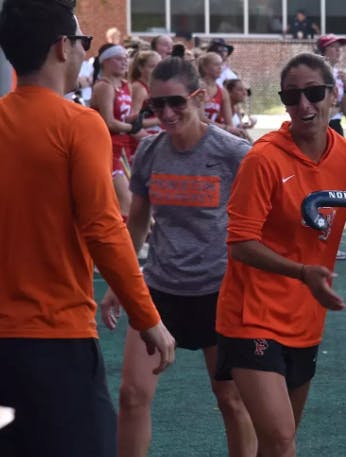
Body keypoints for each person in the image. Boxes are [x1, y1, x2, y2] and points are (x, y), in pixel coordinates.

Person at [0, 2, 176, 456]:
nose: (83, 51)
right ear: (63, 48)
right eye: (83, 42)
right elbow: (103, 229)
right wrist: (148, 318)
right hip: (55, 339)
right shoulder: (80, 125)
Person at [214, 53, 346, 457]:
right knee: (280, 440)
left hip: (305, 318)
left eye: (314, 93)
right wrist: (302, 272)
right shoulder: (263, 158)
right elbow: (240, 242)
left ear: (333, 94)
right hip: (251, 315)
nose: (304, 106)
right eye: (292, 97)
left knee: (278, 443)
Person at [100, 56, 257, 457]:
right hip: (159, 290)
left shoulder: (234, 153)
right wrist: (122, 281)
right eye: (156, 106)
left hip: (217, 293)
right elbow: (136, 223)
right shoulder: (150, 152)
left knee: (231, 400)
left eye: (176, 103)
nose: (166, 114)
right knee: (132, 395)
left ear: (200, 97)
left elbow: (260, 224)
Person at [91, 42, 143, 218]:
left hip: (124, 147)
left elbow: (126, 117)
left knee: (130, 201)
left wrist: (138, 122)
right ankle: (125, 243)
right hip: (109, 148)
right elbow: (108, 122)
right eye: (119, 59)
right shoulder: (104, 86)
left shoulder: (125, 85)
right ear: (105, 61)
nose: (124, 62)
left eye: (126, 58)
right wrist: (131, 127)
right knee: (125, 203)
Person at [316, 34, 346, 136]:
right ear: (322, 51)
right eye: (333, 47)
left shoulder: (340, 75)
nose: (338, 50)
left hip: (336, 126)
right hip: (319, 127)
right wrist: (335, 107)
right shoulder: (315, 74)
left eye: (339, 47)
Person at [198, 52, 236, 133]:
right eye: (216, 64)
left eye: (221, 64)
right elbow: (200, 118)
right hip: (197, 132)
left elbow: (230, 124)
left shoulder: (222, 91)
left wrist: (232, 130)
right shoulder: (198, 87)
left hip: (211, 133)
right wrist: (225, 128)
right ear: (205, 68)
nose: (220, 68)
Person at [128, 50, 162, 140]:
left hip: (154, 133)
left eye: (159, 66)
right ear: (141, 68)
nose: (157, 70)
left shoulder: (151, 86)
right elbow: (133, 122)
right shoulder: (139, 88)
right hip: (142, 138)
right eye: (152, 66)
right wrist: (160, 119)